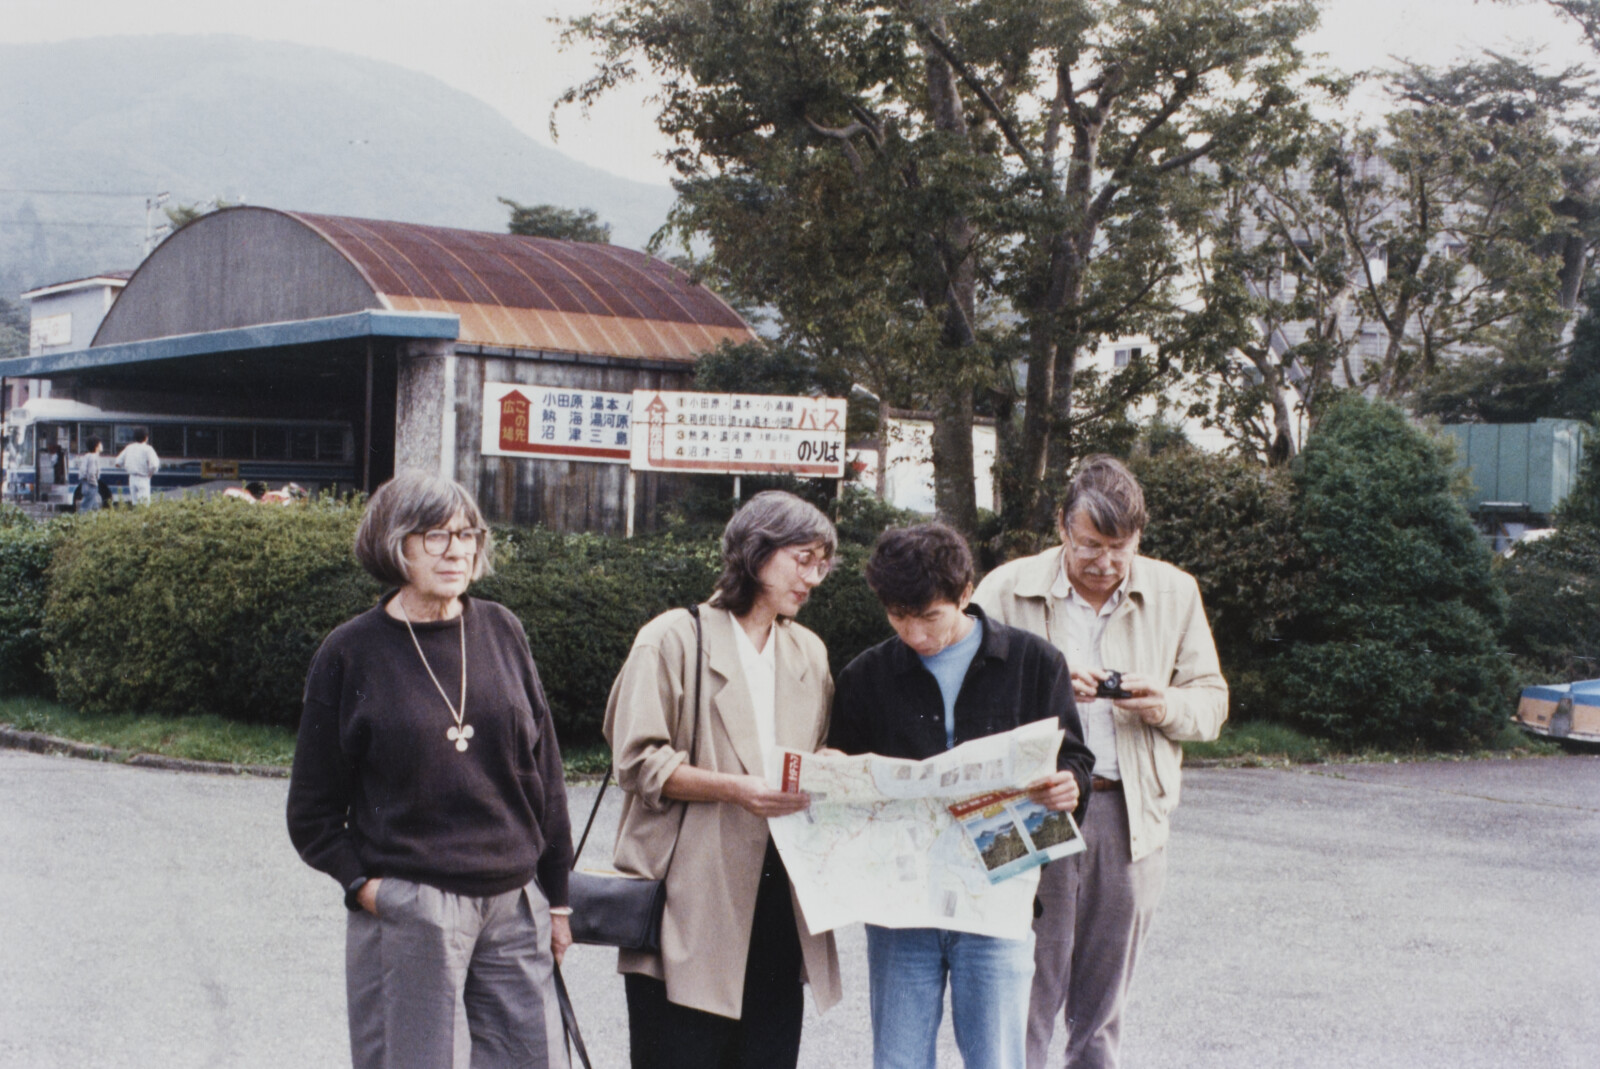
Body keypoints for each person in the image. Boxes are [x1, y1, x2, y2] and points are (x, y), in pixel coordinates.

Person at [286, 470, 573, 1069]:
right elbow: (311, 812)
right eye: (435, 536)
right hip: (415, 904)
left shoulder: (502, 630)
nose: (458, 550)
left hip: (514, 903)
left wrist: (559, 900)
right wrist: (369, 890)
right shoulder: (349, 653)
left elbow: (543, 773)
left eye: (467, 533)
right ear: (395, 545)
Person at [973, 455, 1228, 1069]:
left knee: (1103, 1001)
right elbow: (967, 695)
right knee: (1021, 986)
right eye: (1090, 544)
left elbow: (1212, 704)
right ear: (1063, 525)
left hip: (1127, 812)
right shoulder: (1006, 589)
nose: (1105, 562)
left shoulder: (1175, 592)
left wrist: (1161, 703)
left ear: (1138, 537)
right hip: (1025, 808)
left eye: (1120, 547)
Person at [828, 523, 1095, 1069]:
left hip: (998, 888)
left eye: (930, 617)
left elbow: (1075, 759)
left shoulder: (1035, 663)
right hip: (900, 897)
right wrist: (832, 771)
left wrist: (1070, 785)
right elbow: (842, 779)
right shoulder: (866, 675)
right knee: (899, 1059)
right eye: (899, 618)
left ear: (966, 592)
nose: (916, 635)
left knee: (997, 1058)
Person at [605, 490, 843, 1069]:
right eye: (802, 559)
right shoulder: (673, 638)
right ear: (757, 553)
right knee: (680, 1051)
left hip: (778, 894)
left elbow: (814, 750)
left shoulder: (807, 651)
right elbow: (636, 761)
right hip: (691, 892)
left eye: (822, 564)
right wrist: (738, 789)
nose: (813, 578)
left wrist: (831, 768)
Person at [113, 429, 160, 505]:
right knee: (144, 504)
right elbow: (154, 465)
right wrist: (150, 474)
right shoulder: (148, 449)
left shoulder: (129, 447)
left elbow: (117, 463)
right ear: (146, 437)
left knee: (135, 503)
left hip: (132, 478)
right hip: (143, 478)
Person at [77, 437, 104, 512]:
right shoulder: (93, 457)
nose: (102, 445)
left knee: (94, 506)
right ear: (96, 446)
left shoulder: (87, 456)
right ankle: (80, 520)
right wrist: (94, 483)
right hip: (91, 485)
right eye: (100, 444)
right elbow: (92, 472)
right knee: (85, 507)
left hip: (86, 484)